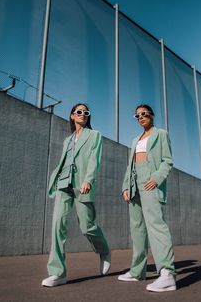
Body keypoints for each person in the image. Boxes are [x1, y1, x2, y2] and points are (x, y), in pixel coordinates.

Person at [42, 103, 111, 287]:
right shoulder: (67, 140)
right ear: (72, 116)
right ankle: (58, 273)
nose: (83, 114)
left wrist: (88, 179)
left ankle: (103, 249)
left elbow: (93, 160)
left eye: (86, 112)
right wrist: (56, 182)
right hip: (63, 183)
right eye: (79, 112)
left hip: (82, 184)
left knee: (87, 226)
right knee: (57, 225)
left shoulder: (94, 135)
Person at [118, 104, 176, 292]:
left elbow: (167, 161)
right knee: (137, 229)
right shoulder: (135, 139)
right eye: (137, 115)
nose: (140, 117)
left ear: (151, 114)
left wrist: (156, 178)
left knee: (156, 226)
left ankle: (167, 273)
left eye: (143, 114)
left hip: (150, 181)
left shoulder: (160, 134)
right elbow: (130, 166)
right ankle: (137, 271)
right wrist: (125, 187)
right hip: (134, 183)